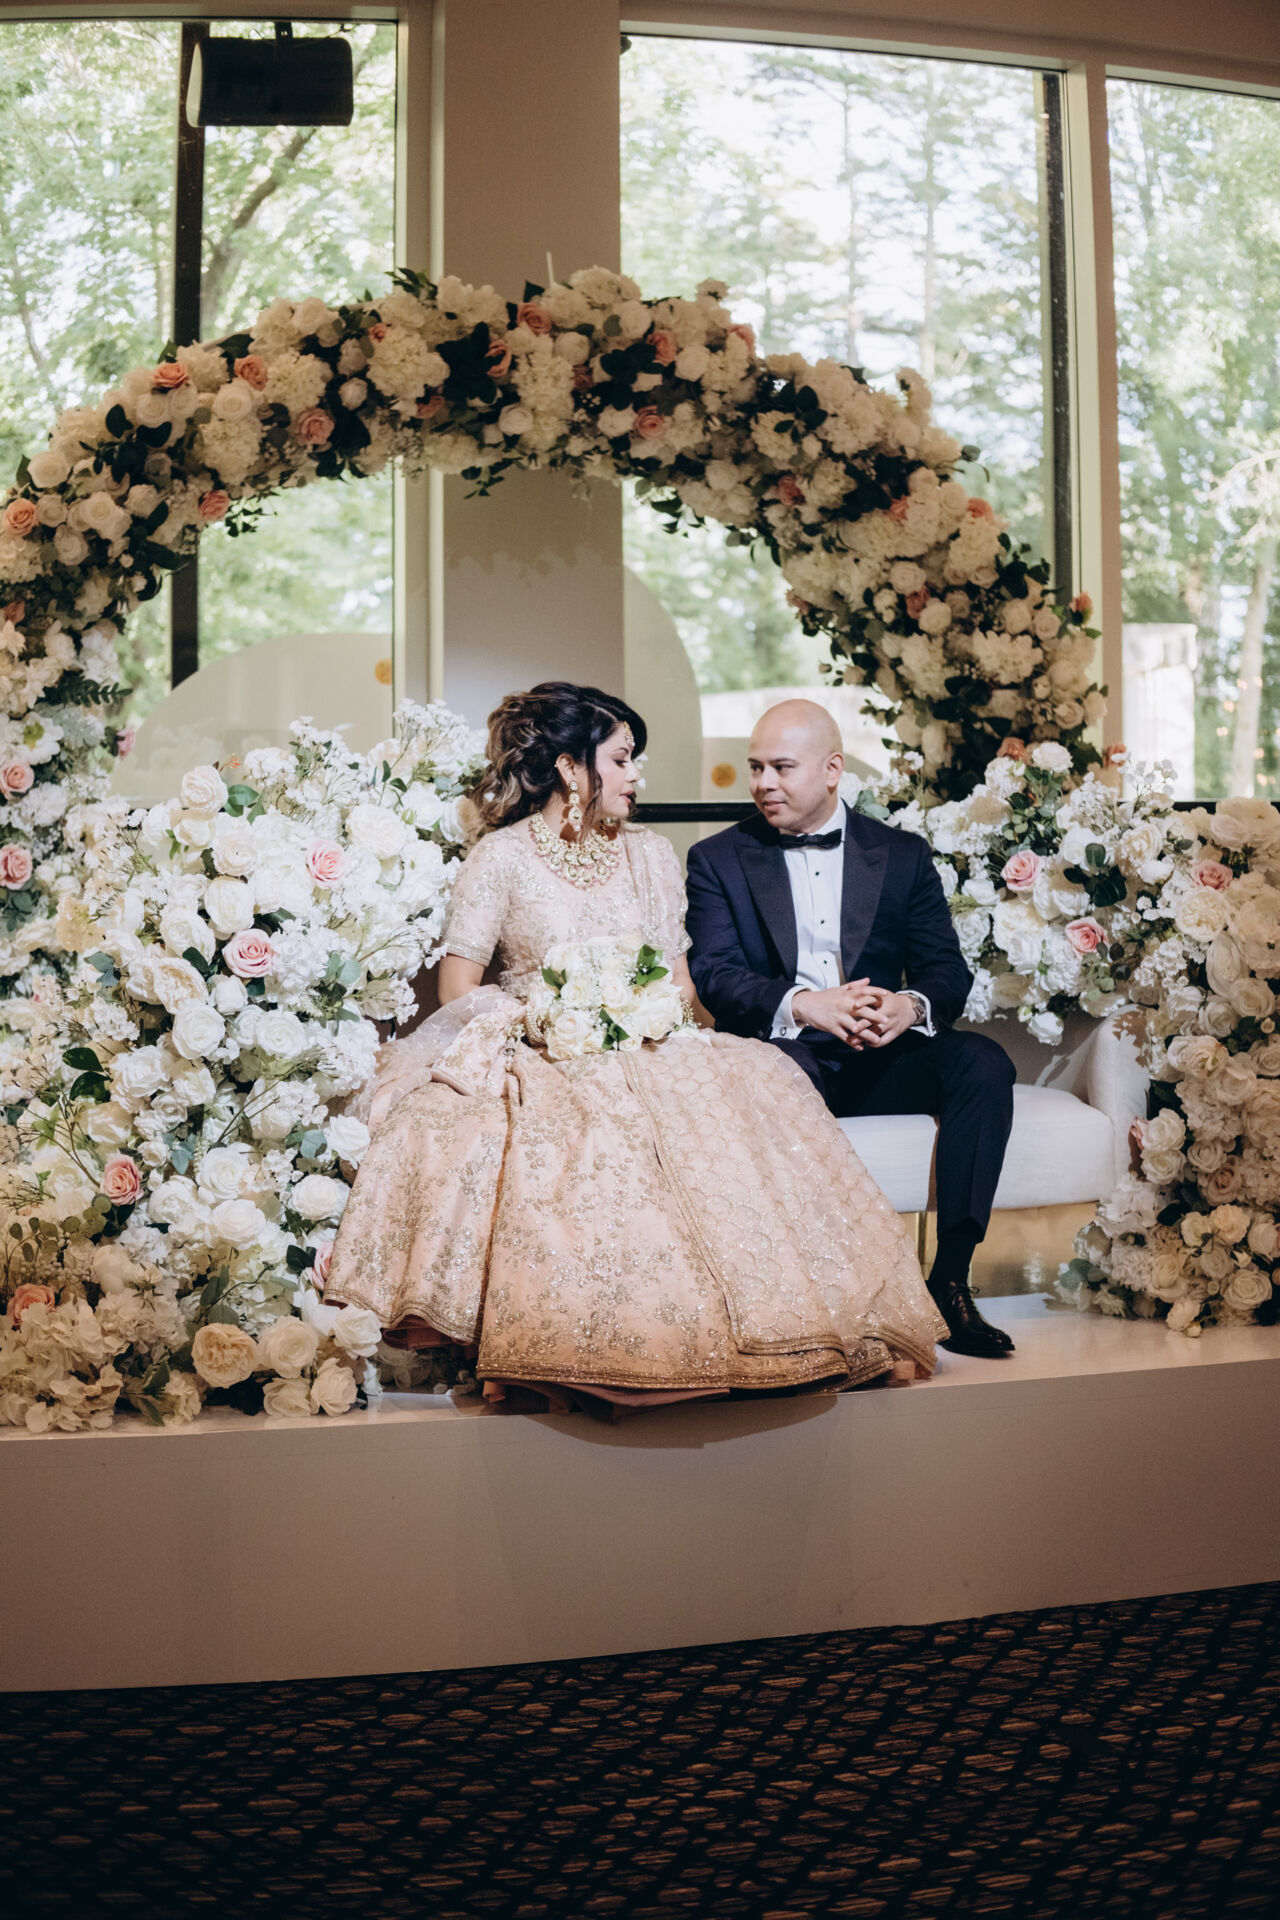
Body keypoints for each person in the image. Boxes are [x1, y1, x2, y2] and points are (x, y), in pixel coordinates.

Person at [322, 681, 946, 1410]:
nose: (635, 775)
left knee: (761, 1088)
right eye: (621, 759)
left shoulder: (650, 855)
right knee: (556, 1132)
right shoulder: (502, 858)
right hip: (542, 1046)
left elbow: (681, 984)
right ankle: (575, 1348)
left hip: (651, 1044)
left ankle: (765, 1334)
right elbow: (458, 986)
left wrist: (650, 1018)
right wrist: (550, 1016)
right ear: (570, 768)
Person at [684, 700, 1017, 1361]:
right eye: (755, 768)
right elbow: (715, 975)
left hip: (880, 1056)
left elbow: (946, 972)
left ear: (832, 769)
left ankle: (951, 1279)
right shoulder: (717, 858)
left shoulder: (901, 854)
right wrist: (806, 1005)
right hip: (783, 1054)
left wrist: (907, 1007)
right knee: (781, 1072)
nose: (763, 783)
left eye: (781, 767)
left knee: (982, 1062)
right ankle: (821, 1296)